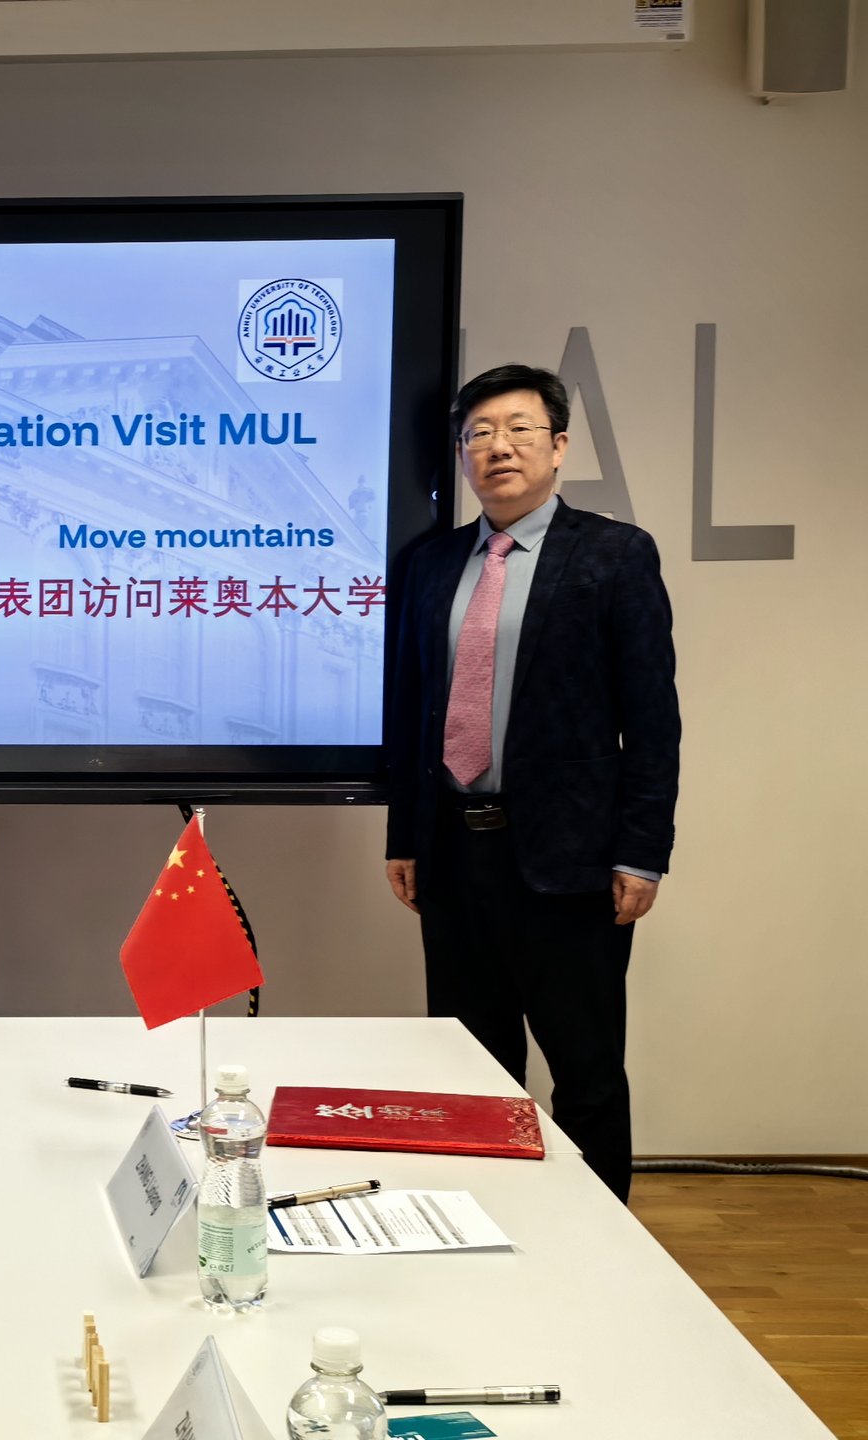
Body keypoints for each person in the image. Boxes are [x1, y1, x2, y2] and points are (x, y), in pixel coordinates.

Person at [384, 363, 679, 1201]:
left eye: (517, 429)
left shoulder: (614, 555)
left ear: (557, 446)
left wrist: (642, 853)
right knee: (473, 1067)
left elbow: (652, 721)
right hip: (452, 855)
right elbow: (414, 713)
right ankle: (495, 1221)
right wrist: (404, 835)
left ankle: (604, 1245)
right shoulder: (433, 565)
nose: (496, 448)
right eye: (478, 434)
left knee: (584, 1072)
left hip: (571, 862)